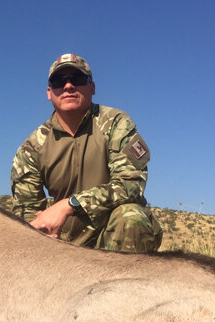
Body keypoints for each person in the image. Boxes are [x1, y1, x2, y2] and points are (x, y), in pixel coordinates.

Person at [11, 53, 162, 252]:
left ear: (92, 88)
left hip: (114, 237)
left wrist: (70, 204)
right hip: (64, 245)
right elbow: (28, 216)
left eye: (78, 79)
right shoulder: (32, 147)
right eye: (59, 81)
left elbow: (130, 184)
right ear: (49, 92)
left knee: (130, 216)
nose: (68, 86)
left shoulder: (116, 122)